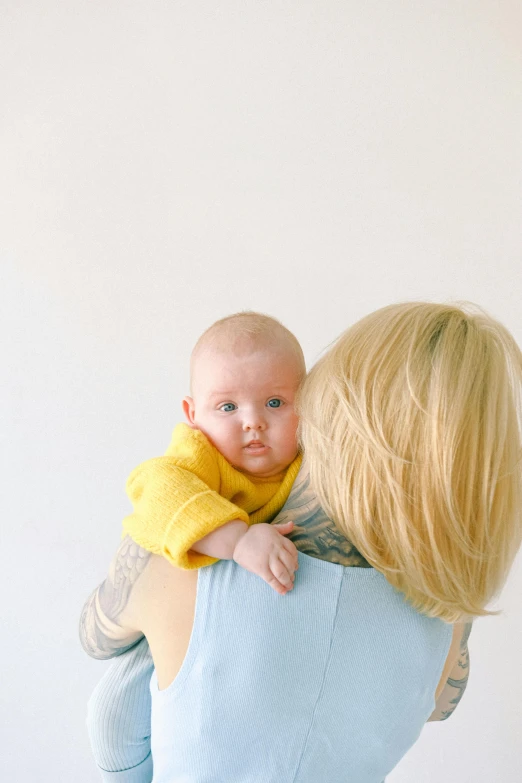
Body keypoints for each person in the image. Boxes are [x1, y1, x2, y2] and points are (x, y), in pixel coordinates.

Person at [80, 302, 522, 783]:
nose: (253, 422)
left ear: (330, 404)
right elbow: (441, 706)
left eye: (277, 402)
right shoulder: (445, 613)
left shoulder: (177, 564)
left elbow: (95, 641)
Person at [84, 311, 306, 780]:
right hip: (157, 625)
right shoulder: (199, 453)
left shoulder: (308, 464)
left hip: (235, 641)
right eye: (228, 407)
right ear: (193, 415)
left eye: (274, 402)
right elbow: (156, 487)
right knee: (115, 714)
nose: (253, 423)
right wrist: (238, 538)